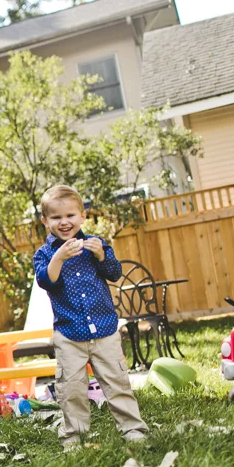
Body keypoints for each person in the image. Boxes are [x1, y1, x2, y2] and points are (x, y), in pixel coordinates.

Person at [33, 185, 148, 451]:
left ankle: (133, 429)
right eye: (56, 217)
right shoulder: (45, 254)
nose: (64, 222)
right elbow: (46, 281)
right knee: (71, 389)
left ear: (83, 216)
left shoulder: (95, 244)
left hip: (105, 329)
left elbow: (115, 272)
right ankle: (74, 436)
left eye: (71, 215)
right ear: (45, 221)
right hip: (69, 334)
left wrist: (101, 254)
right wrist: (59, 258)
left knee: (117, 382)